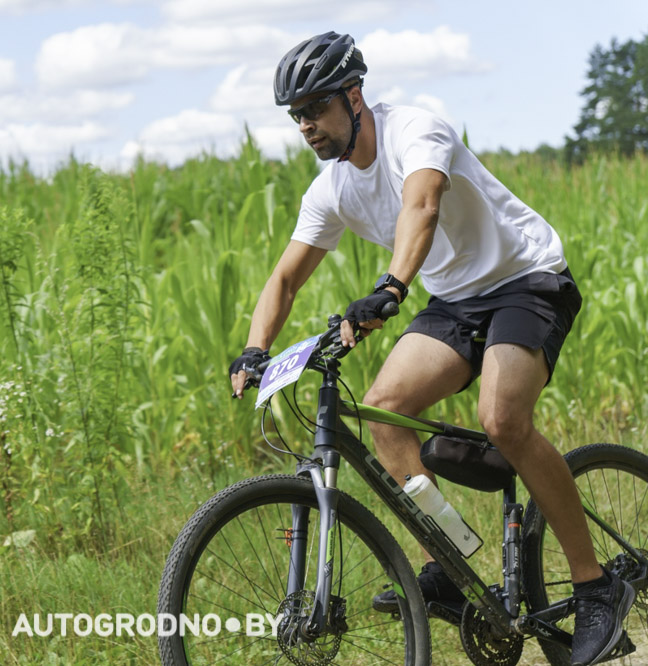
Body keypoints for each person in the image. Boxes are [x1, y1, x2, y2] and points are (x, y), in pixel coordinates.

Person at [228, 31, 633, 666]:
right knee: (385, 410)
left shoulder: (415, 131)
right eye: (296, 114)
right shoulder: (331, 188)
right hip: (455, 300)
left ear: (353, 96)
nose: (306, 125)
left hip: (525, 279)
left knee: (502, 420)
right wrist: (255, 349)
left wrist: (390, 288)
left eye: (316, 107)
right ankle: (444, 568)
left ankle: (595, 586)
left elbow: (422, 204)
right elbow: (284, 279)